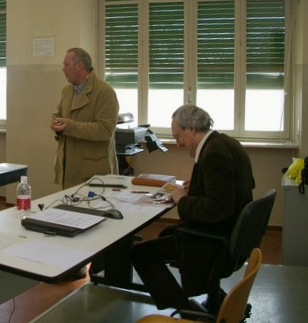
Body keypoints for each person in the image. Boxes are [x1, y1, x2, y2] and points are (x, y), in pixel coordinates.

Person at [131, 105, 255, 314]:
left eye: (178, 136)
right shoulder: (227, 143)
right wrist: (199, 185)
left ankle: (189, 312)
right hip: (231, 234)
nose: (178, 144)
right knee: (165, 235)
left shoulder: (214, 154)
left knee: (141, 253)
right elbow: (237, 187)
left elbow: (218, 208)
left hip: (213, 241)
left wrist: (182, 199)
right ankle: (212, 300)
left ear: (192, 128)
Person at [49, 47, 118, 188]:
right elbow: (58, 113)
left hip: (93, 170)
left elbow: (105, 130)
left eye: (66, 65)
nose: (63, 69)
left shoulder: (104, 92)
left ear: (79, 65)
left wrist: (68, 126)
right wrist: (56, 123)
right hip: (68, 166)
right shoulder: (67, 90)